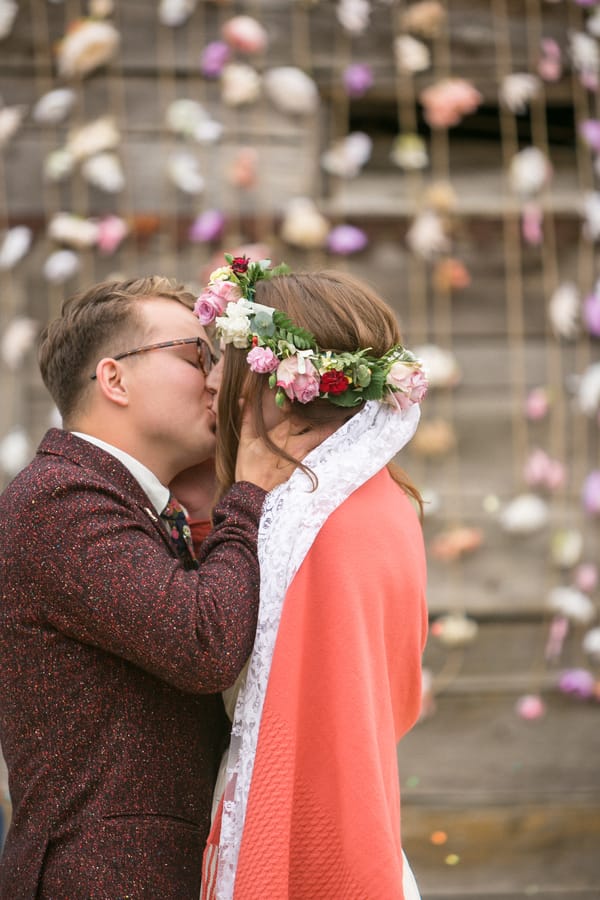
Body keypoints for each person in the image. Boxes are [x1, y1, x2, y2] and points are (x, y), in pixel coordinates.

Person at [0, 276, 317, 899]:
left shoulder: (117, 501)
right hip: (104, 877)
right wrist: (249, 491)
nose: (214, 379)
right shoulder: (60, 499)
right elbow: (204, 644)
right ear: (114, 379)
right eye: (196, 354)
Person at [195, 257, 429, 899]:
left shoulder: (314, 525)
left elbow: (317, 722)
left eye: (222, 361)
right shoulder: (379, 499)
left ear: (269, 381)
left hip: (317, 843)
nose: (208, 383)